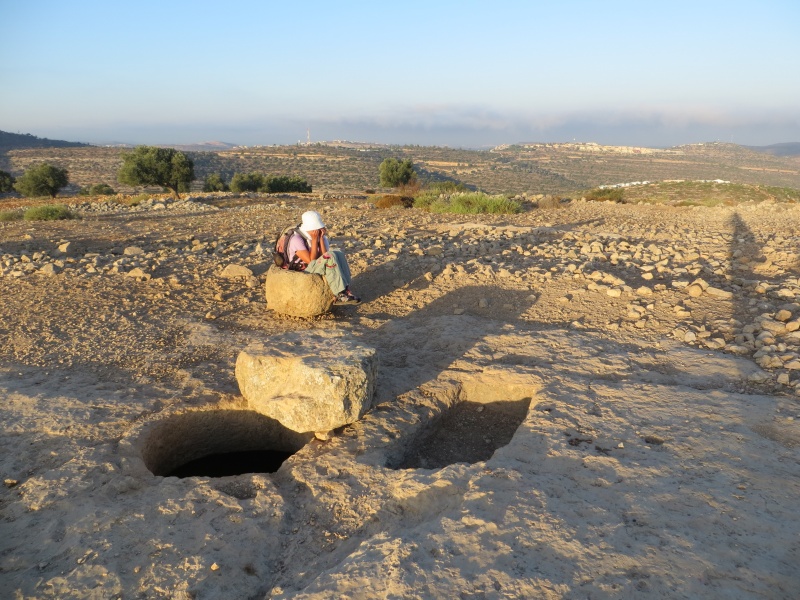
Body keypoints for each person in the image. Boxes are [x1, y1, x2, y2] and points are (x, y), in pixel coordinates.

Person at [286, 210, 361, 305]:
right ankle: (340, 295)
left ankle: (345, 289)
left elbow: (325, 255)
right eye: (315, 228)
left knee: (338, 253)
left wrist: (320, 239)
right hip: (303, 272)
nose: (318, 230)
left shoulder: (320, 236)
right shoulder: (296, 239)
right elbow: (311, 261)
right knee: (330, 255)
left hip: (315, 266)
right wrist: (314, 239)